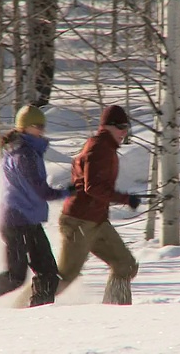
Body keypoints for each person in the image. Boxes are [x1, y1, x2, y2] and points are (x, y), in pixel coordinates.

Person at [0, 105, 74, 308]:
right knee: (17, 277)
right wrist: (68, 191)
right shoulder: (24, 154)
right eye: (37, 126)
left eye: (42, 126)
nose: (41, 130)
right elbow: (41, 192)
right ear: (24, 127)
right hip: (19, 221)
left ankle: (38, 313)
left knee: (46, 274)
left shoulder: (22, 150)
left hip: (25, 220)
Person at [57, 105, 142, 305]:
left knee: (125, 264)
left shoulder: (105, 147)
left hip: (96, 220)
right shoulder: (99, 148)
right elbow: (92, 187)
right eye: (120, 126)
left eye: (126, 127)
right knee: (65, 277)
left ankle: (115, 312)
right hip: (80, 221)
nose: (124, 131)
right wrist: (125, 199)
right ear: (107, 127)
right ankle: (25, 309)